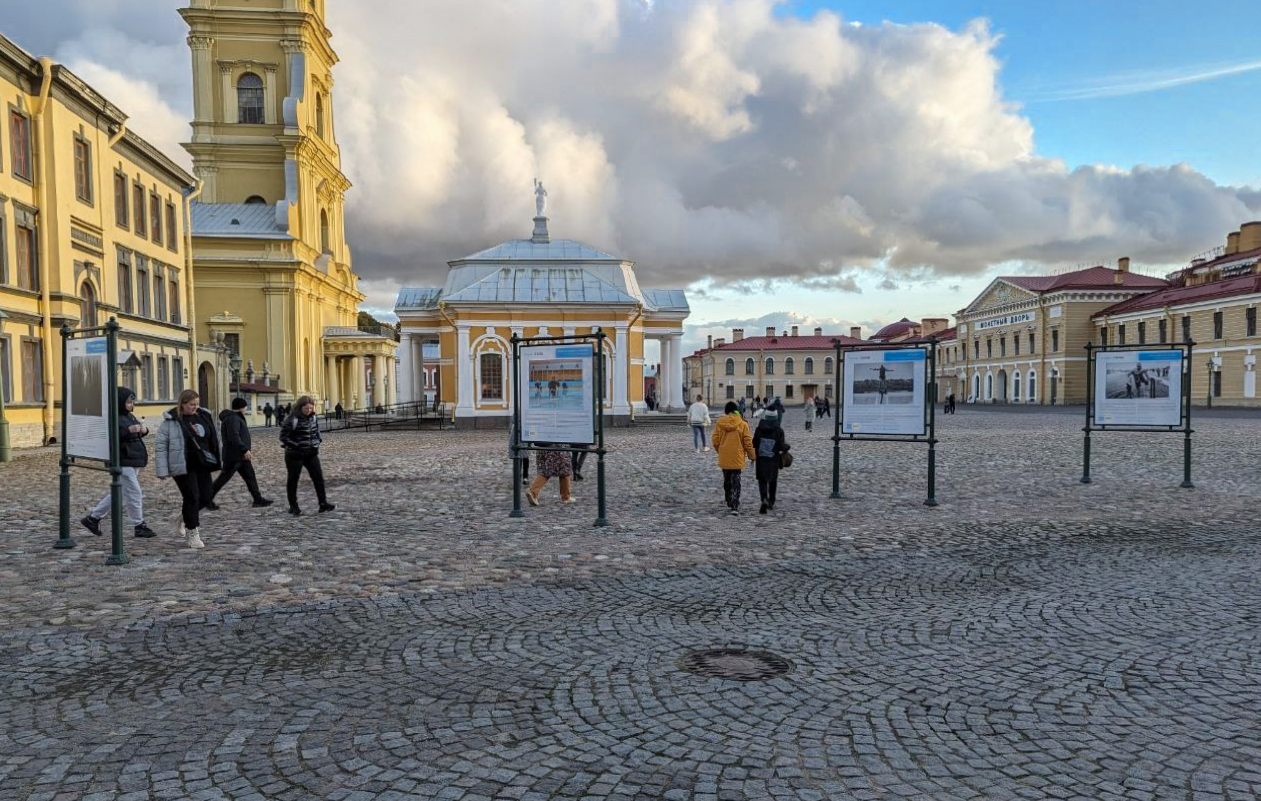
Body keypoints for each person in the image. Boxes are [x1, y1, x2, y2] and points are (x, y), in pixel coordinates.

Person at [80, 387, 157, 539]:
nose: (131, 404)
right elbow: (111, 438)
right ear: (121, 402)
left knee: (119, 492)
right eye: (128, 402)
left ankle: (93, 518)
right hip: (122, 460)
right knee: (134, 492)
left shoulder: (129, 416)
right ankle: (139, 525)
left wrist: (144, 430)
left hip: (132, 458)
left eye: (132, 401)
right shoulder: (112, 417)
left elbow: (135, 433)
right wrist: (128, 431)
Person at [155, 389, 221, 549]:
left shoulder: (204, 416)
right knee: (192, 496)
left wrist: (219, 458)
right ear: (183, 404)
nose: (195, 407)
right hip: (182, 465)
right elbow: (161, 446)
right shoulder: (171, 421)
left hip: (202, 463)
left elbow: (214, 437)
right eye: (192, 404)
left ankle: (184, 517)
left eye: (197, 404)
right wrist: (162, 470)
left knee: (206, 497)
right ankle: (192, 533)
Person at [210, 397, 274, 508]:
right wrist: (244, 449)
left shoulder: (235, 417)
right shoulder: (233, 419)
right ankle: (206, 499)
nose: (246, 409)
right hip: (234, 456)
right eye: (245, 407)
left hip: (241, 457)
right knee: (223, 479)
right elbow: (234, 436)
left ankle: (258, 500)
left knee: (250, 477)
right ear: (241, 407)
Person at [279, 395, 334, 516]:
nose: (308, 410)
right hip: (294, 455)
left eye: (310, 408)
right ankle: (293, 506)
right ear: (300, 407)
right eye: (306, 408)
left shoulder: (313, 418)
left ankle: (323, 503)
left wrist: (318, 441)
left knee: (318, 478)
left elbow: (316, 432)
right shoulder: (292, 419)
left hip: (311, 453)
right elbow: (283, 437)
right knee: (293, 480)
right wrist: (296, 445)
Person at [712, 401, 755, 515]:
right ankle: (735, 504)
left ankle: (728, 498)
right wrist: (752, 456)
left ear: (726, 412)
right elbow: (747, 443)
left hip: (724, 456)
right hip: (737, 456)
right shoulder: (743, 424)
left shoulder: (720, 423)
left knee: (727, 480)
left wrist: (720, 450)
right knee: (736, 480)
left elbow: (715, 440)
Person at [753, 408, 790, 514]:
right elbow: (781, 446)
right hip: (773, 460)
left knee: (762, 480)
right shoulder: (779, 430)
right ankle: (771, 501)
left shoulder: (759, 429)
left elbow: (754, 443)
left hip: (761, 459)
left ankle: (764, 498)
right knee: (773, 480)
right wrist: (787, 447)